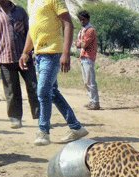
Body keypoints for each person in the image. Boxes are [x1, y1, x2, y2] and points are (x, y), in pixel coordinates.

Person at [19, 0, 88, 146]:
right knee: (52, 92)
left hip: (52, 53)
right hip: (39, 55)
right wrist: (25, 51)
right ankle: (76, 128)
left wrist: (66, 53)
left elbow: (68, 24)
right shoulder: (31, 2)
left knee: (43, 91)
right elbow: (33, 30)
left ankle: (43, 131)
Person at [0, 0, 40, 129]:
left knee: (34, 87)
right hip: (5, 58)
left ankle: (40, 117)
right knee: (11, 91)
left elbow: (30, 32)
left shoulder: (20, 11)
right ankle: (15, 118)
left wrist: (31, 52)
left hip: (25, 57)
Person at [75, 10, 101, 111]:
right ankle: (92, 101)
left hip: (88, 57)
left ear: (87, 19)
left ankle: (95, 102)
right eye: (80, 20)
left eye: (83, 19)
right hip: (83, 56)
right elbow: (79, 43)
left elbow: (83, 44)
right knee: (86, 81)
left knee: (90, 81)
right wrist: (79, 43)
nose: (81, 21)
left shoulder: (90, 30)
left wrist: (79, 43)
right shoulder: (83, 30)